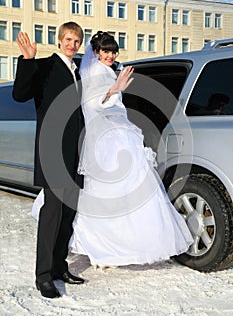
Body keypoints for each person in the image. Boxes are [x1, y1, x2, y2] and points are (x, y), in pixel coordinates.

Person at [34, 31, 193, 269]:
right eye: (106, 51)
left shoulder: (108, 71)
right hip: (105, 140)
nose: (110, 55)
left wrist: (115, 89)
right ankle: (102, 249)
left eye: (113, 51)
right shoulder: (93, 72)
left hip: (120, 134)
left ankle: (126, 245)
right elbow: (91, 103)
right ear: (96, 52)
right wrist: (112, 90)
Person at [13, 22, 85, 298]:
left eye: (76, 40)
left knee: (67, 214)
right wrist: (28, 60)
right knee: (52, 215)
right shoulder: (44, 66)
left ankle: (58, 266)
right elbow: (20, 95)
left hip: (75, 155)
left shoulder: (77, 71)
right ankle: (43, 276)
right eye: (67, 39)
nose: (72, 44)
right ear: (59, 41)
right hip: (53, 152)